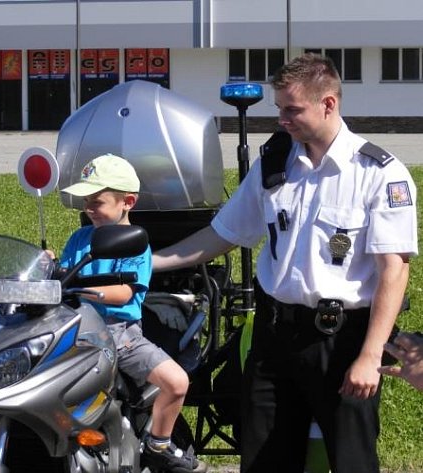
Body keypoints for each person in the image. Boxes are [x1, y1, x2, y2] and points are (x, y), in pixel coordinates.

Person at [153, 53, 418, 473]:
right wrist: (150, 264)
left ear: (328, 103)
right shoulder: (275, 164)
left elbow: (394, 270)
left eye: (292, 109)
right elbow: (223, 234)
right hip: (274, 338)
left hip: (342, 340)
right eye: (279, 108)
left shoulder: (379, 174)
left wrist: (369, 357)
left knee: (352, 461)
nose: (282, 119)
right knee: (263, 460)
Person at [56, 154, 206, 473]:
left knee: (177, 382)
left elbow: (124, 293)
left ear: (128, 202)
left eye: (97, 201)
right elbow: (63, 272)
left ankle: (159, 444)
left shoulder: (136, 245)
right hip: (75, 331)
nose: (88, 208)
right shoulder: (79, 238)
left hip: (121, 336)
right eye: (85, 201)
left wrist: (76, 287)